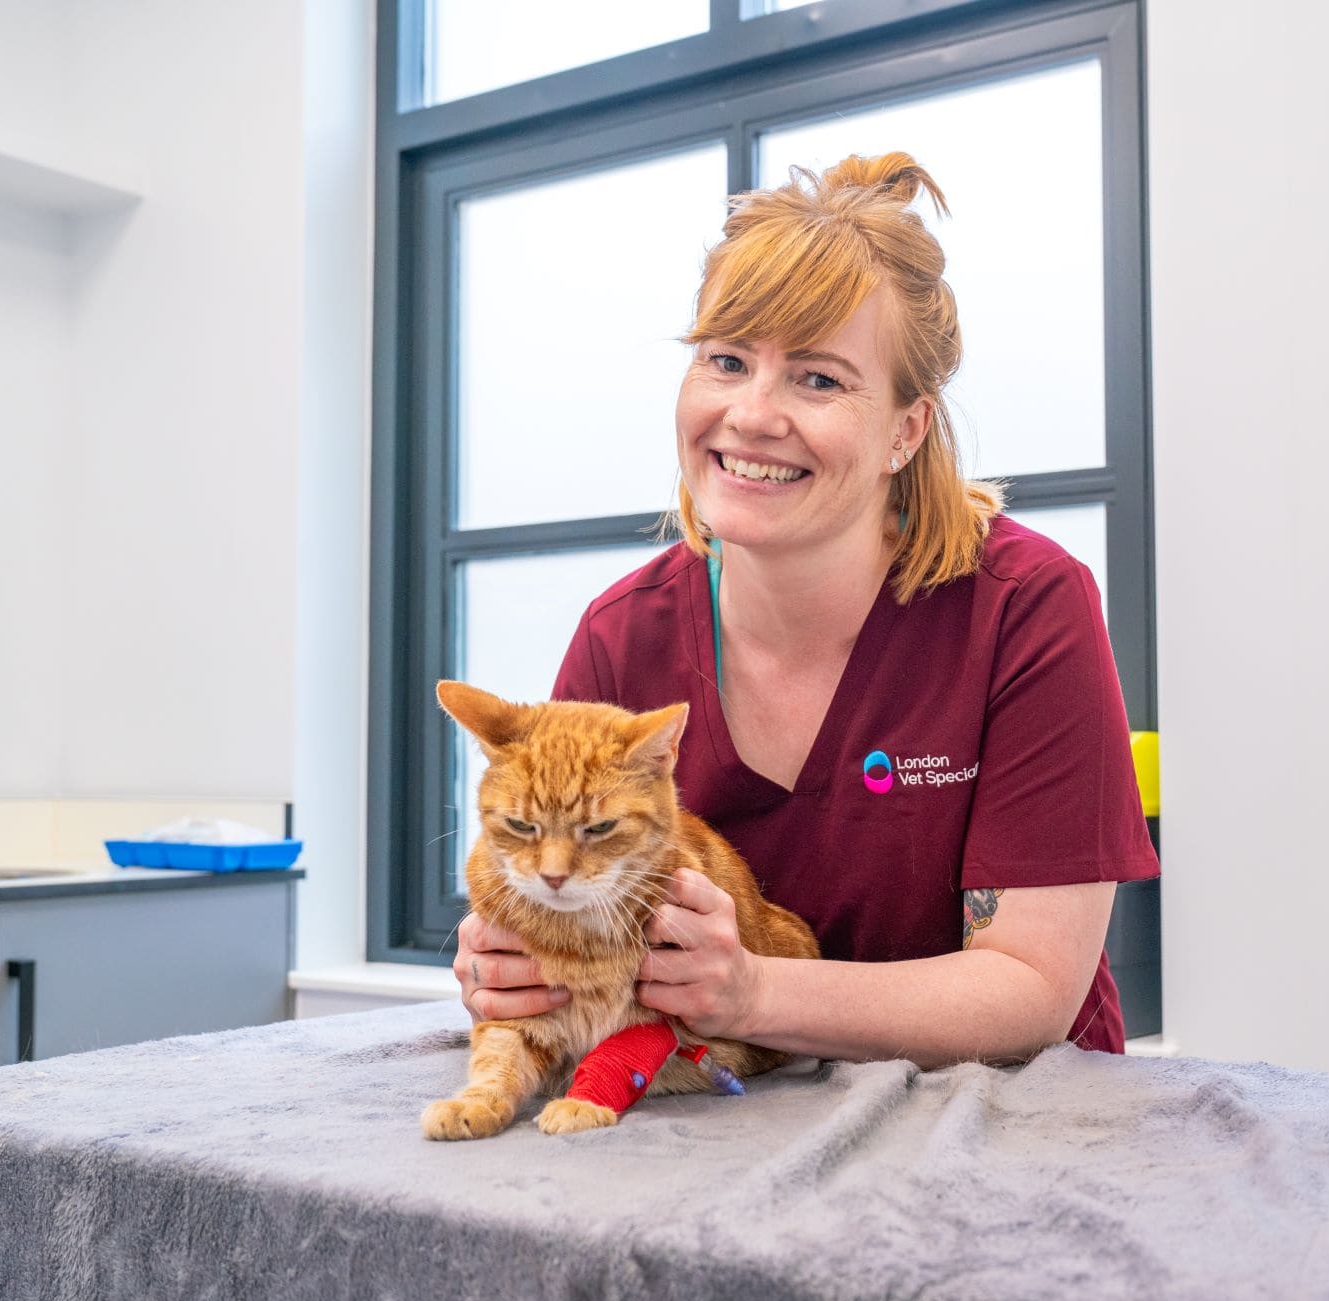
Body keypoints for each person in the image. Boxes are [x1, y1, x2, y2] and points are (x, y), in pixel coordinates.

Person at [451, 151, 1159, 1066]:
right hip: (729, 1120)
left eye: (817, 379)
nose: (751, 415)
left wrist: (752, 992)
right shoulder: (622, 636)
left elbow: (1031, 990)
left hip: (1013, 1118)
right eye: (726, 361)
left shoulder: (1025, 608)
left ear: (906, 429)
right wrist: (513, 963)